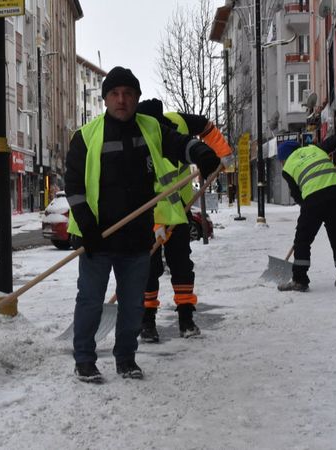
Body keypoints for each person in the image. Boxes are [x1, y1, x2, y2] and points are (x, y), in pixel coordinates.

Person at [65, 67, 220, 383]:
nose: (121, 100)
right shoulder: (86, 136)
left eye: (128, 93)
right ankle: (84, 360)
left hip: (136, 236)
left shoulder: (151, 129)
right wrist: (87, 226)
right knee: (91, 301)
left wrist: (201, 152)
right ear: (105, 99)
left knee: (133, 304)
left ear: (136, 97)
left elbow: (179, 143)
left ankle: (126, 359)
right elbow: (75, 187)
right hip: (97, 237)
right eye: (114, 94)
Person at [134, 99, 232, 342]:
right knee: (148, 269)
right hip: (149, 215)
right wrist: (156, 225)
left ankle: (186, 319)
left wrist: (223, 154)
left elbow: (207, 127)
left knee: (181, 265)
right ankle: (147, 322)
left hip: (180, 210)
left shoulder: (179, 123)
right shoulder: (136, 140)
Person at [277, 134, 336, 291]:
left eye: (281, 160)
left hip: (314, 199)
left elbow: (296, 194)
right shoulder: (315, 149)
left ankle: (299, 280)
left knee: (302, 240)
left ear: (284, 158)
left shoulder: (287, 168)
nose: (282, 164)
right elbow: (335, 139)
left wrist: (307, 209)